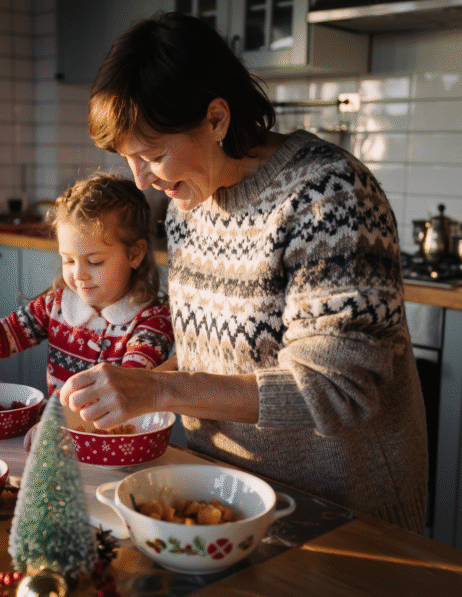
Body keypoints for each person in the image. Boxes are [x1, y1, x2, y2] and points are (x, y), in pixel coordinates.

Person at [59, 12, 429, 533]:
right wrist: (120, 392)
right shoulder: (188, 205)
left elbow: (334, 388)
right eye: (128, 159)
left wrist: (159, 392)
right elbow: (206, 356)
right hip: (225, 499)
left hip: (337, 512)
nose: (140, 179)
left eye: (154, 154)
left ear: (215, 119)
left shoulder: (328, 194)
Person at [0, 173, 174, 405]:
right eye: (68, 260)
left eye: (95, 261)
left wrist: (61, 423)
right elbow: (6, 334)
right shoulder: (56, 305)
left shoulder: (152, 323)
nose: (79, 274)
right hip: (57, 436)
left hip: (114, 443)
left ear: (135, 254)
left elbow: (127, 386)